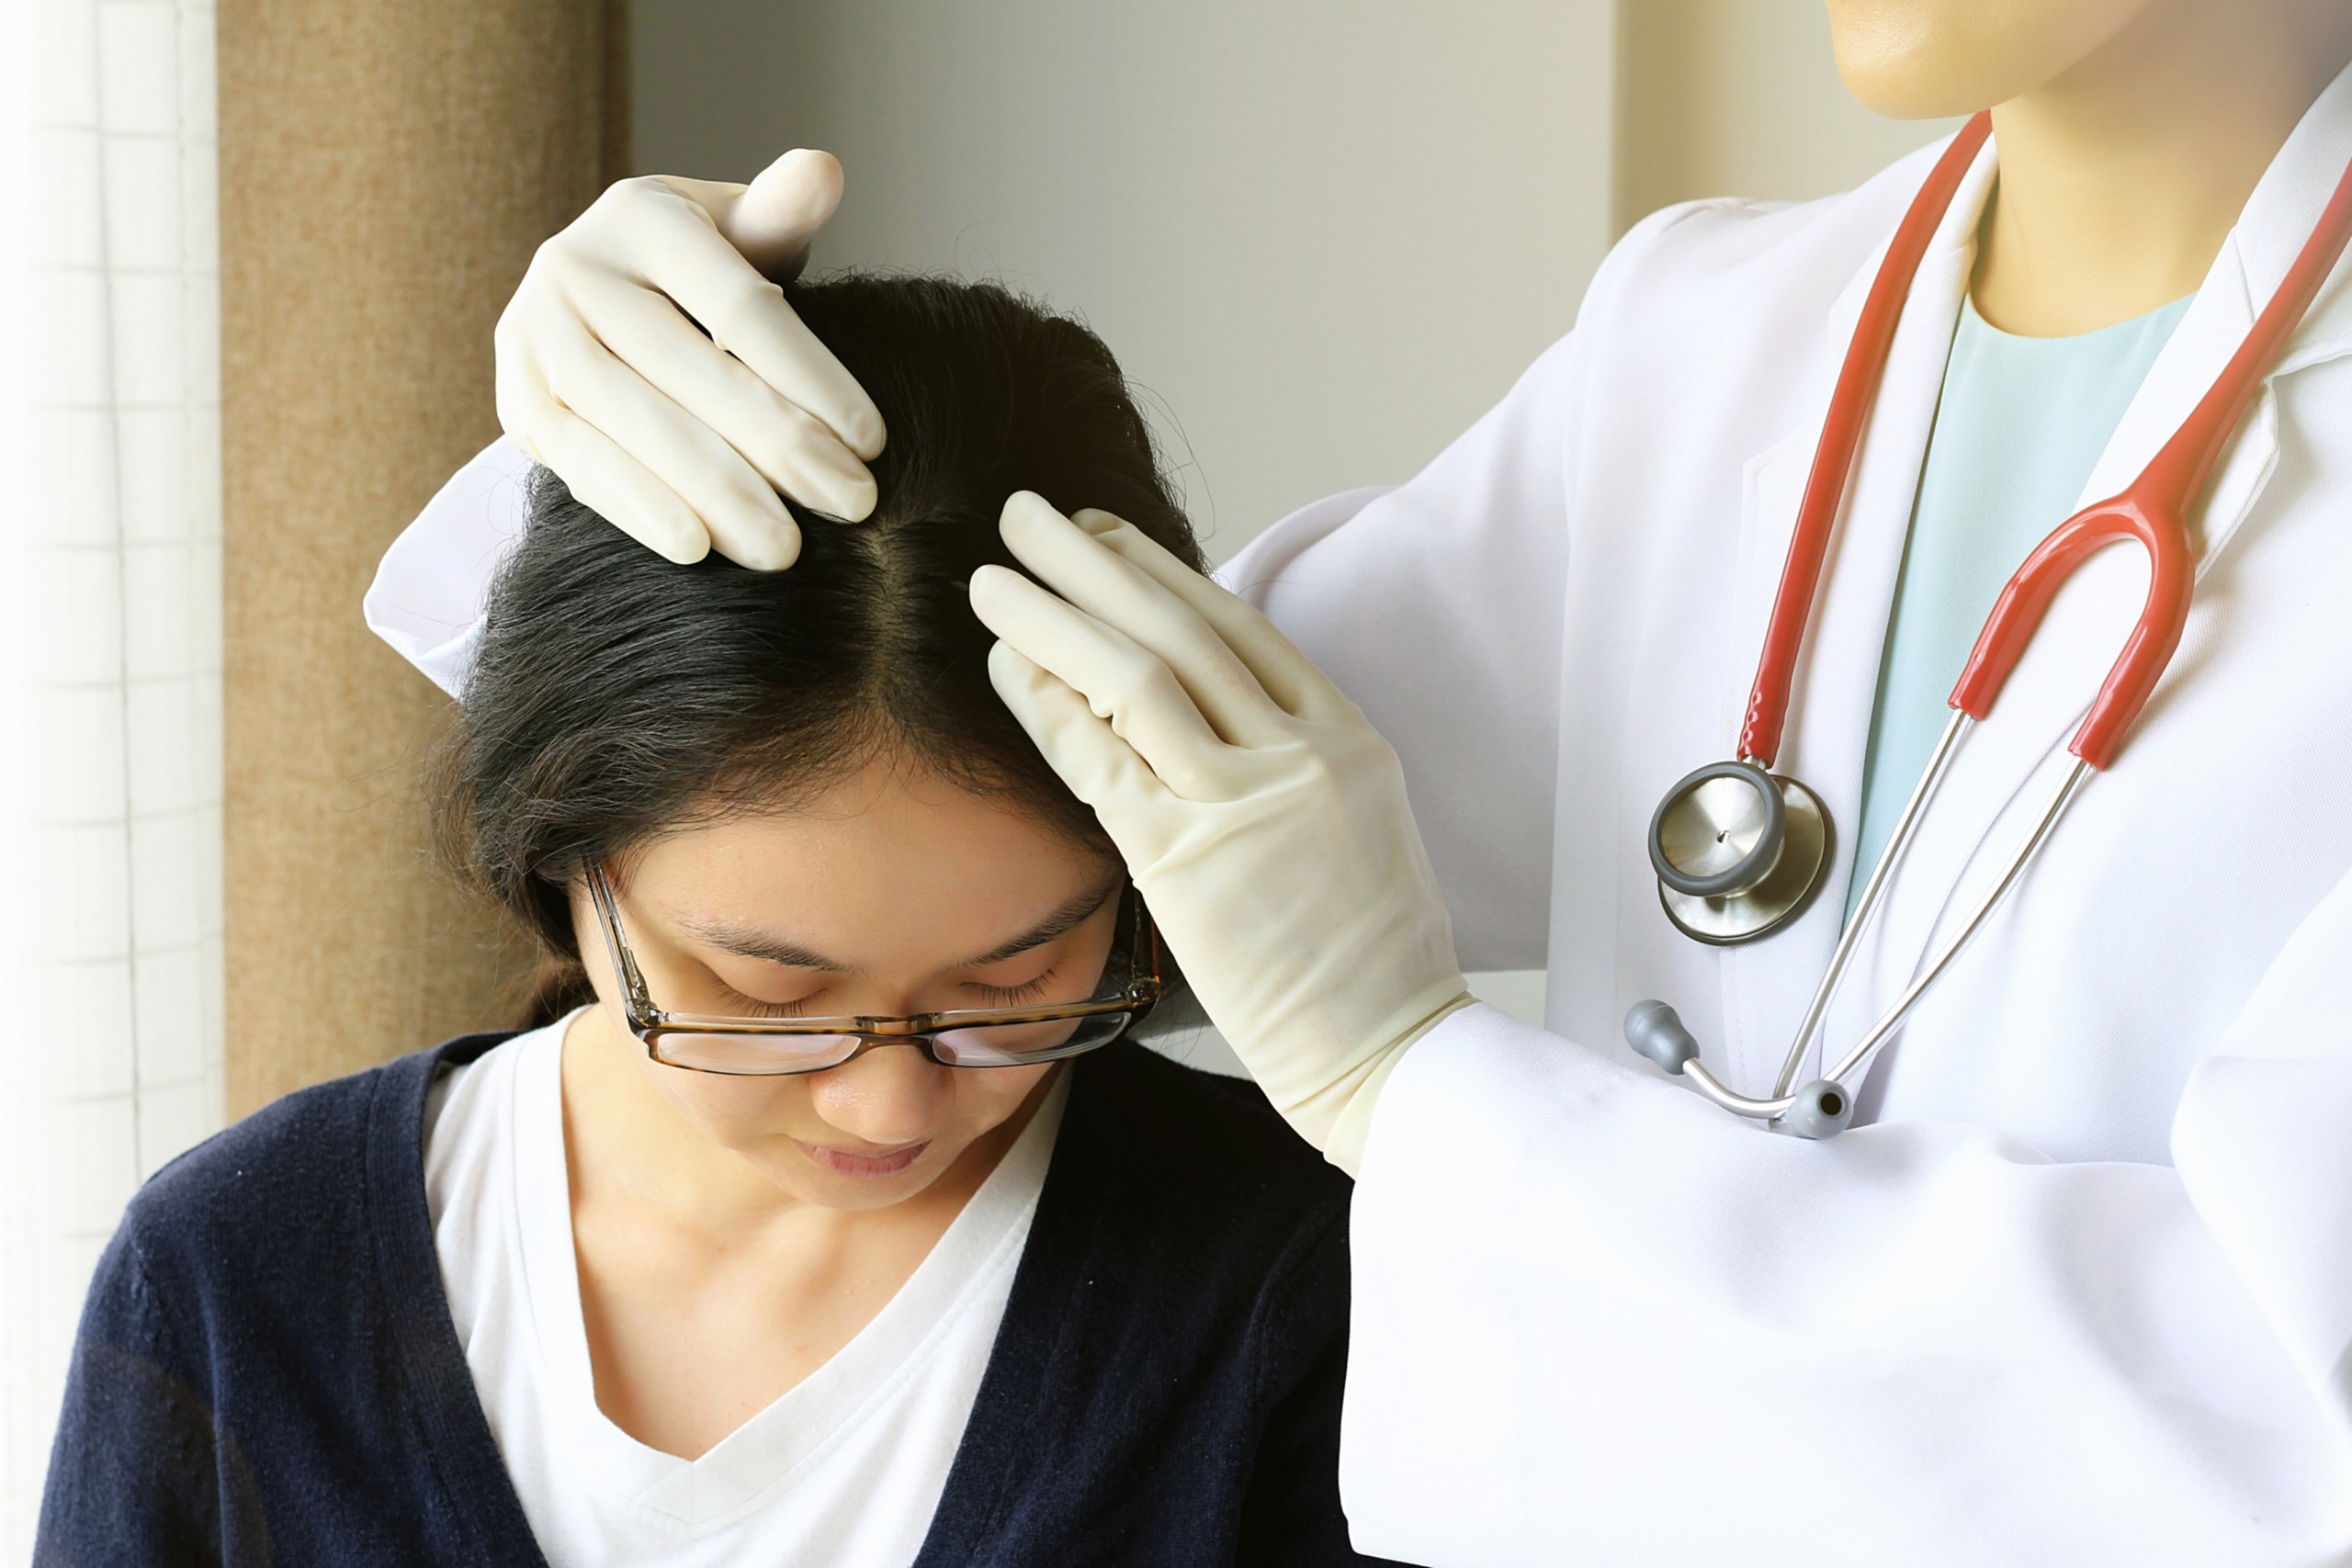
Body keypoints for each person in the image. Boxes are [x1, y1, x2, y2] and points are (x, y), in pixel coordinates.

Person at [386, 1, 2352, 1560]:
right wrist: (618, 458)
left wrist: (1420, 1087)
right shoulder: (1719, 339)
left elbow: (2287, 1418)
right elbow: (972, 803)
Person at [37, 275, 1395, 1566]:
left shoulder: (1302, 1278)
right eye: (762, 993)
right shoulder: (238, 1274)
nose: (885, 1108)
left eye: (1015, 981)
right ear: (563, 866)